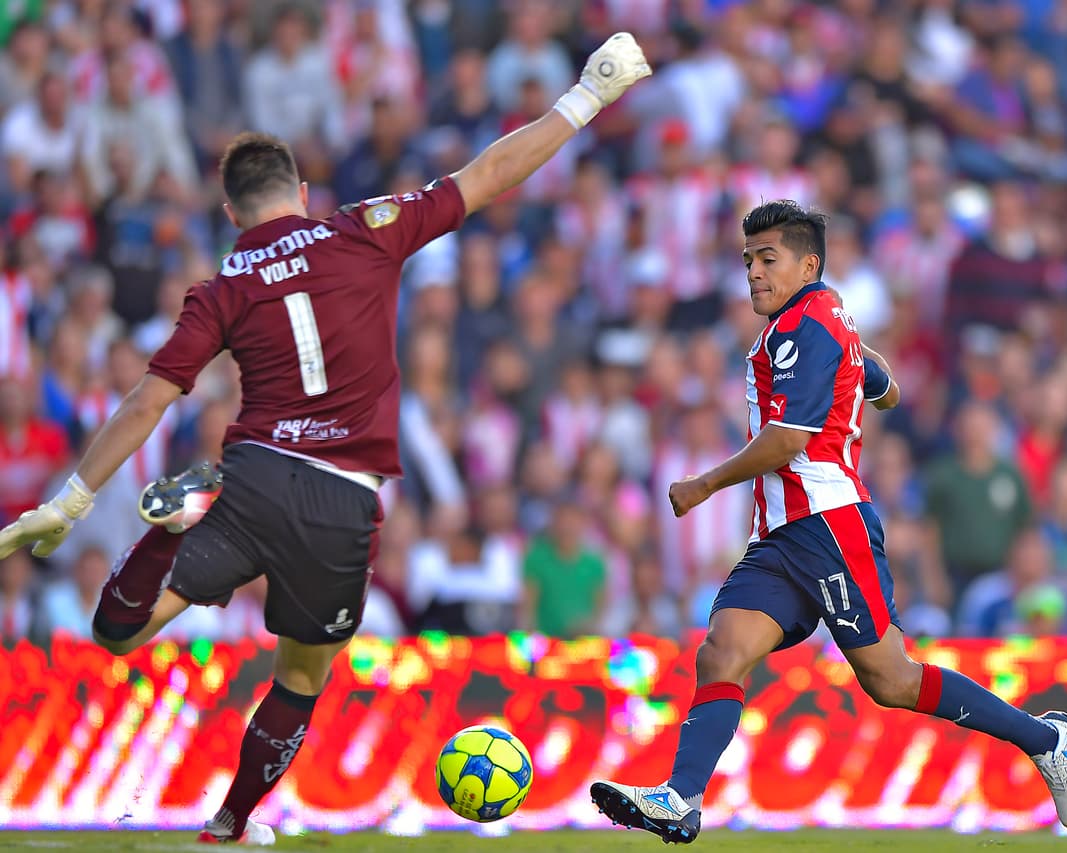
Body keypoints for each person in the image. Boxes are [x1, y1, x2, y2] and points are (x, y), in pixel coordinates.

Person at [0, 33, 651, 846]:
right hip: (342, 498)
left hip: (253, 479)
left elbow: (146, 401)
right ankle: (231, 820)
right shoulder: (365, 229)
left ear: (231, 212)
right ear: (302, 193)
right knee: (303, 676)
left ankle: (170, 530)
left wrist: (70, 498)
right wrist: (587, 96)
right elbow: (488, 174)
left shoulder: (221, 288)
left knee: (118, 633)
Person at [589, 200, 1067, 844]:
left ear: (808, 265)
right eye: (748, 260)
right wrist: (859, 360)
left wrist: (704, 484)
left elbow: (790, 439)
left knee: (892, 680)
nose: (753, 272)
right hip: (781, 535)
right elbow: (888, 390)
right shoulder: (821, 319)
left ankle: (1045, 739)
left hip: (828, 526)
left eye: (768, 259)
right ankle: (680, 798)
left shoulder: (806, 327)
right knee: (722, 651)